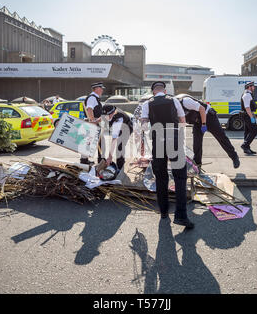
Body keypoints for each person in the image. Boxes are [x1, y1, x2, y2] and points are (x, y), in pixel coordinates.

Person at [141, 82, 195, 229]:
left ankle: (164, 212)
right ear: (164, 91)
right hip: (174, 141)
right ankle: (181, 216)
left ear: (153, 92)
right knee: (180, 177)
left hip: (158, 142)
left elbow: (144, 125)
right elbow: (182, 120)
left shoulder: (147, 104)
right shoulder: (174, 100)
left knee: (161, 177)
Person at [177, 94, 240, 169]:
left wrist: (204, 124)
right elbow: (181, 122)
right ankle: (197, 164)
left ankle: (234, 156)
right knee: (197, 143)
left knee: (221, 137)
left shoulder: (185, 101)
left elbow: (202, 109)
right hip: (197, 122)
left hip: (208, 116)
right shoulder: (173, 109)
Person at [102, 104, 133, 171]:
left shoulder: (118, 119)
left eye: (107, 116)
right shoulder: (107, 114)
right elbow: (101, 118)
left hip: (127, 127)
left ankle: (120, 167)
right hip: (118, 126)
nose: (106, 117)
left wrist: (110, 157)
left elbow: (114, 139)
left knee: (120, 146)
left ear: (112, 113)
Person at [81, 82, 105, 165]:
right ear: (97, 89)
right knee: (90, 142)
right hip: (93, 123)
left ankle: (85, 160)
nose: (102, 90)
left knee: (89, 142)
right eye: (101, 88)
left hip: (94, 122)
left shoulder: (94, 98)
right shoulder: (92, 98)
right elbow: (89, 109)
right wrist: (93, 121)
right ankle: (99, 160)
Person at [241, 82, 257, 155]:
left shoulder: (248, 94)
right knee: (254, 130)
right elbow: (247, 107)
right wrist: (251, 117)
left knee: (247, 132)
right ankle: (245, 145)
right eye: (253, 86)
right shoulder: (247, 95)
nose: (254, 88)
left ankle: (246, 148)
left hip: (247, 115)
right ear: (249, 87)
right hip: (248, 115)